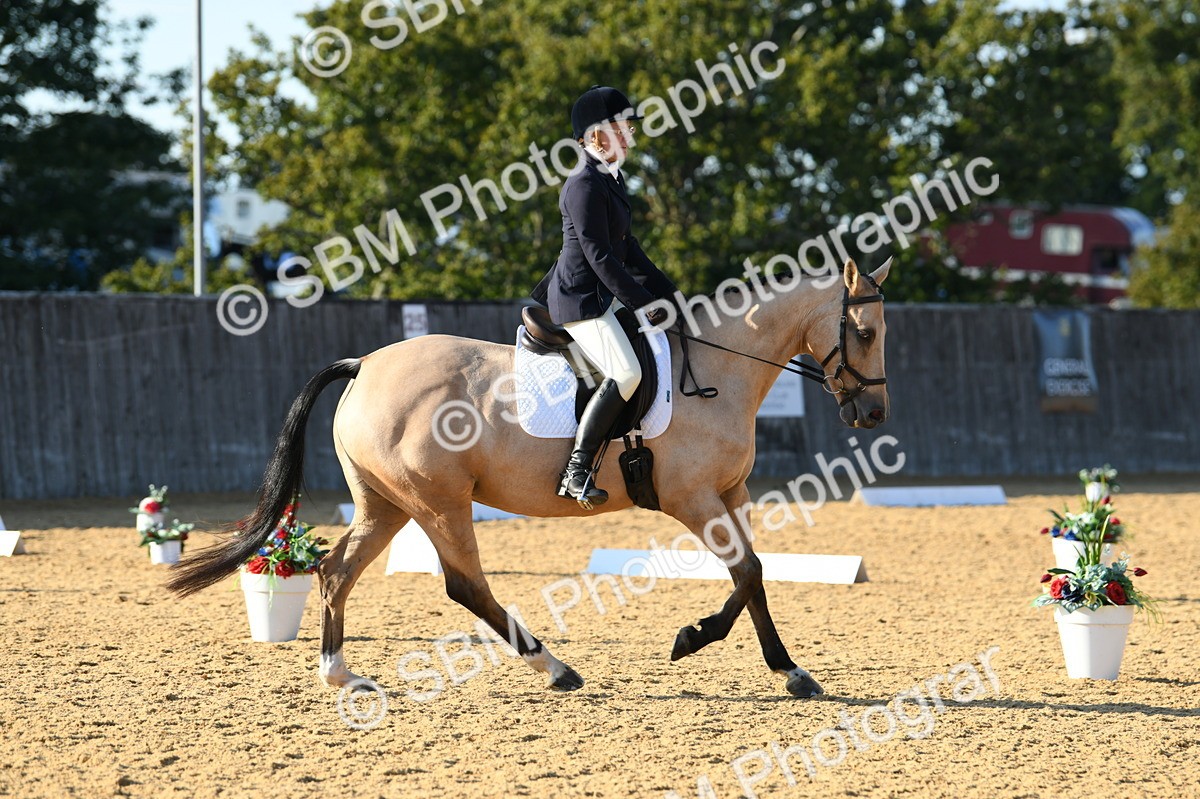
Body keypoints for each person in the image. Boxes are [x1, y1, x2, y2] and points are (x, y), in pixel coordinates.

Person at [531, 85, 678, 508]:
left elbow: (629, 250)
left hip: (604, 295)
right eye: (623, 128)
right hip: (580, 300)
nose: (630, 135)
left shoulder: (611, 179)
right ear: (596, 136)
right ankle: (576, 471)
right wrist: (641, 303)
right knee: (627, 373)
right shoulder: (583, 184)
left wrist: (672, 295)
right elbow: (598, 256)